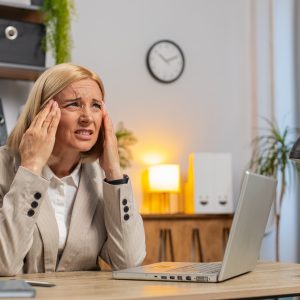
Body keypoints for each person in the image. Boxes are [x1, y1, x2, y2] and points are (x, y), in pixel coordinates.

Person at [0, 63, 146, 275]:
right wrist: (31, 168)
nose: (87, 117)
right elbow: (4, 264)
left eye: (96, 105)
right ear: (43, 112)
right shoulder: (4, 167)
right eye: (74, 105)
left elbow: (129, 261)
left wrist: (114, 174)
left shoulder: (101, 179)